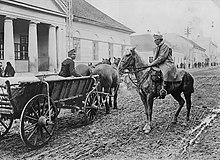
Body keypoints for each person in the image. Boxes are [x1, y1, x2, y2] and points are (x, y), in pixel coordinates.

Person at [148, 34, 179, 99]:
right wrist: (152, 64)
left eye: (156, 40)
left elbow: (162, 57)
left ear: (160, 40)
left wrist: (153, 63)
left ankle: (163, 89)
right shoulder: (156, 48)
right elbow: (156, 58)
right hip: (159, 63)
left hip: (167, 63)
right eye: (154, 40)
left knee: (164, 72)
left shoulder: (165, 46)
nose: (155, 41)